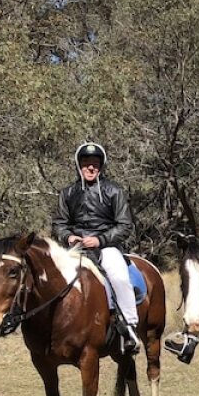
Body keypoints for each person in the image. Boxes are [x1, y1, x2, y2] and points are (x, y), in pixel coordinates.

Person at [52, 141, 141, 355]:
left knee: (119, 277)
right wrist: (68, 236)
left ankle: (129, 328)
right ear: (78, 165)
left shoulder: (114, 191)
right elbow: (59, 224)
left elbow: (124, 225)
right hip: (76, 249)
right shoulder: (67, 193)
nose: (90, 168)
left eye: (95, 164)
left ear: (101, 166)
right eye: (86, 163)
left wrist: (100, 240)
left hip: (106, 247)